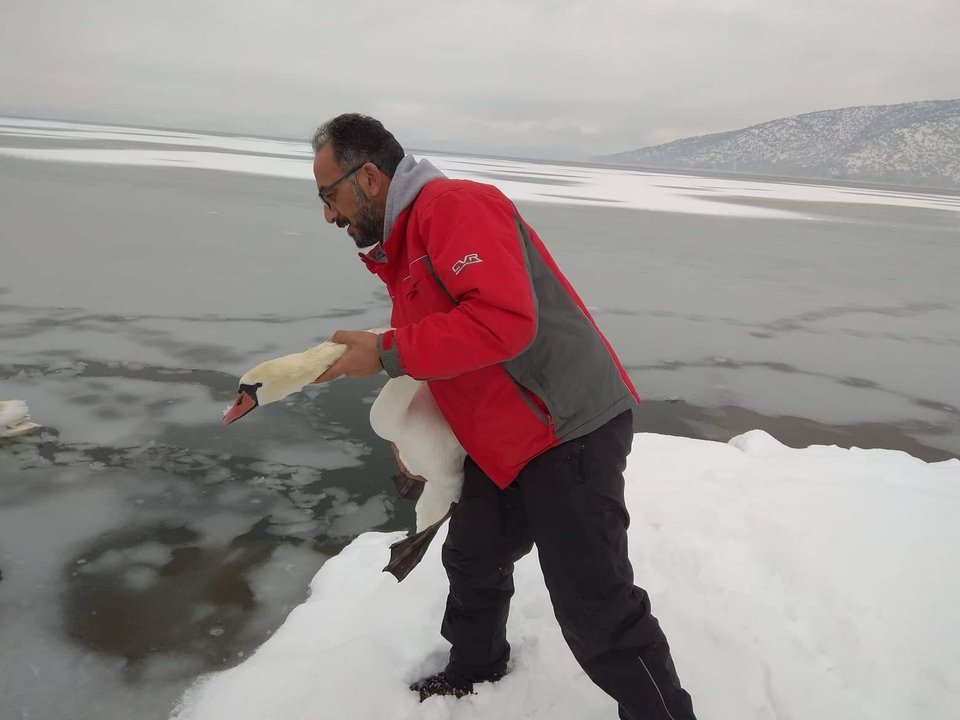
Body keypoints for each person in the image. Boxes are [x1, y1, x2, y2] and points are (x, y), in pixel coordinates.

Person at [310, 113, 697, 720]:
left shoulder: (454, 208)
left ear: (369, 179)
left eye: (328, 194)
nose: (328, 214)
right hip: (508, 438)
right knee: (473, 553)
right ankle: (477, 665)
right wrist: (415, 423)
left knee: (595, 606)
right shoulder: (405, 246)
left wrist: (384, 352)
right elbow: (455, 348)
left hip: (567, 428)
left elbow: (502, 322)